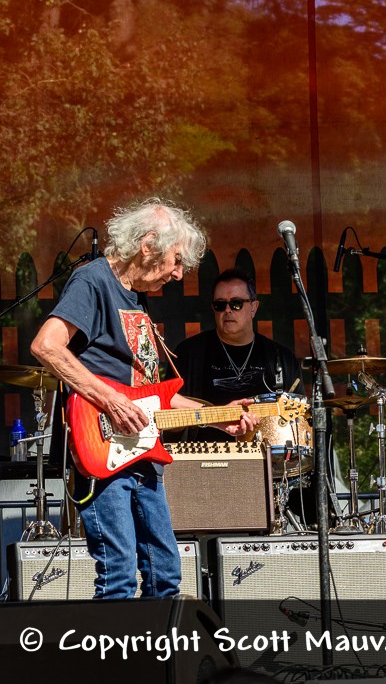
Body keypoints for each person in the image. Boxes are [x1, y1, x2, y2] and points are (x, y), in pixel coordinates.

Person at [31, 198, 255, 599]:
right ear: (148, 245)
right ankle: (113, 643)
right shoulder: (93, 281)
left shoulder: (137, 298)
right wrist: (111, 401)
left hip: (142, 452)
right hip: (103, 451)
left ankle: (157, 643)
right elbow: (46, 346)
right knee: (118, 575)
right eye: (176, 260)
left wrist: (217, 416)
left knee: (165, 575)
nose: (179, 273)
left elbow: (150, 397)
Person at [173, 268, 303, 424]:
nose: (227, 310)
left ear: (254, 307)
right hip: (207, 439)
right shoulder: (188, 353)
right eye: (220, 305)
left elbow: (299, 419)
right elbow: (169, 409)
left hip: (266, 439)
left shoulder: (281, 357)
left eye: (236, 303)